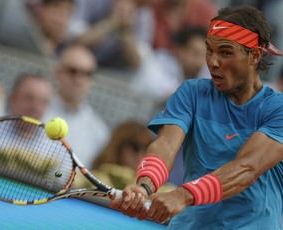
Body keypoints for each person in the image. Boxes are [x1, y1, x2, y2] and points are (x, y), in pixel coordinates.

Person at [110, 5, 283, 229]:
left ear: (255, 55)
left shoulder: (278, 108)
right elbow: (165, 147)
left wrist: (181, 195)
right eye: (209, 50)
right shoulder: (191, 93)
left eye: (225, 52)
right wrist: (145, 186)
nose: (212, 62)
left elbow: (246, 169)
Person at [43, 42, 110, 169]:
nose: (79, 79)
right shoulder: (35, 108)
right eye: (73, 71)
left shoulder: (99, 131)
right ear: (57, 72)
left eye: (87, 74)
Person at [130, 26, 209, 105]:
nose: (200, 62)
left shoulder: (206, 72)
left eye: (204, 55)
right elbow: (164, 92)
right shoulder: (159, 61)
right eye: (195, 54)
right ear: (179, 51)